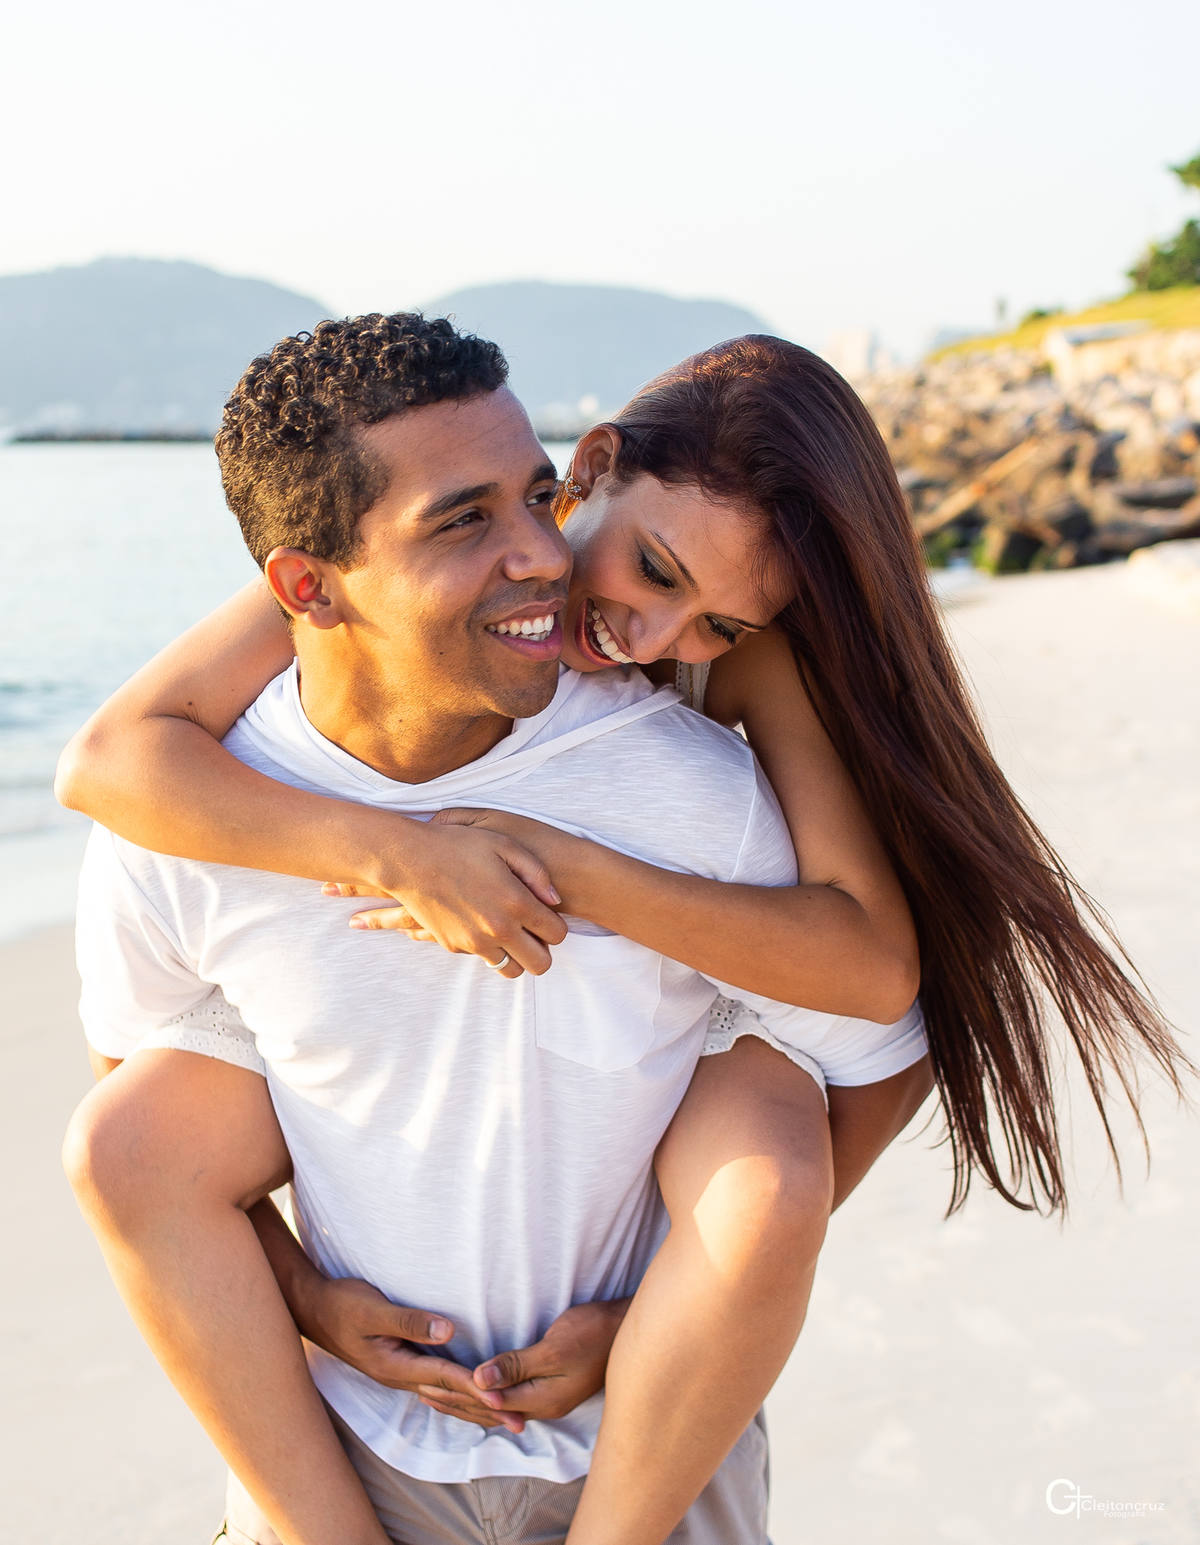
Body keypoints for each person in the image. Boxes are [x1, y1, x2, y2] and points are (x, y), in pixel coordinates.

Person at [59, 317, 1186, 1543]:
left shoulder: (724, 733)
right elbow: (116, 759)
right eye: (650, 570)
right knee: (128, 1132)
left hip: (630, 1422)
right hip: (357, 1436)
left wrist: (671, 1292)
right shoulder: (266, 706)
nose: (647, 640)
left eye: (719, 626)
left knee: (767, 1151)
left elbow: (874, 985)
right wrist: (400, 850)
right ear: (591, 466)